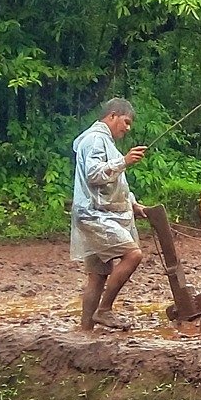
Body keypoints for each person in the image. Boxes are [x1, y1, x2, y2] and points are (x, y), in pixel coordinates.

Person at [72, 98, 149, 331]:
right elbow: (95, 175)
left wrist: (133, 204)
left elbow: (115, 184)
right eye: (125, 122)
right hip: (95, 215)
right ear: (112, 116)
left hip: (94, 214)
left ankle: (86, 331)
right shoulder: (96, 139)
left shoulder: (104, 141)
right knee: (133, 254)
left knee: (97, 276)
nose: (127, 128)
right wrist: (124, 161)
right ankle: (104, 310)